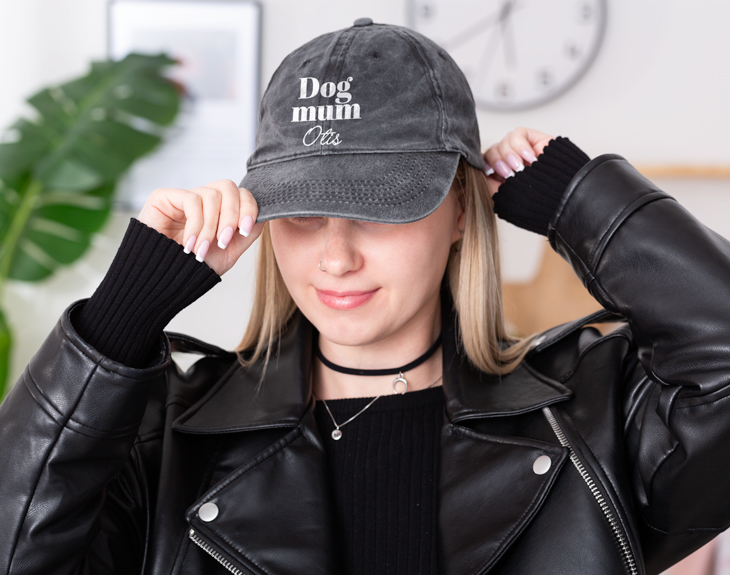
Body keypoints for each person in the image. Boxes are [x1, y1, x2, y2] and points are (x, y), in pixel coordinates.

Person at [0, 18, 729, 575]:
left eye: (380, 209)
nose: (336, 257)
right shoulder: (170, 441)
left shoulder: (590, 423)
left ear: (459, 212)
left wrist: (581, 199)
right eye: (302, 215)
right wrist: (119, 319)